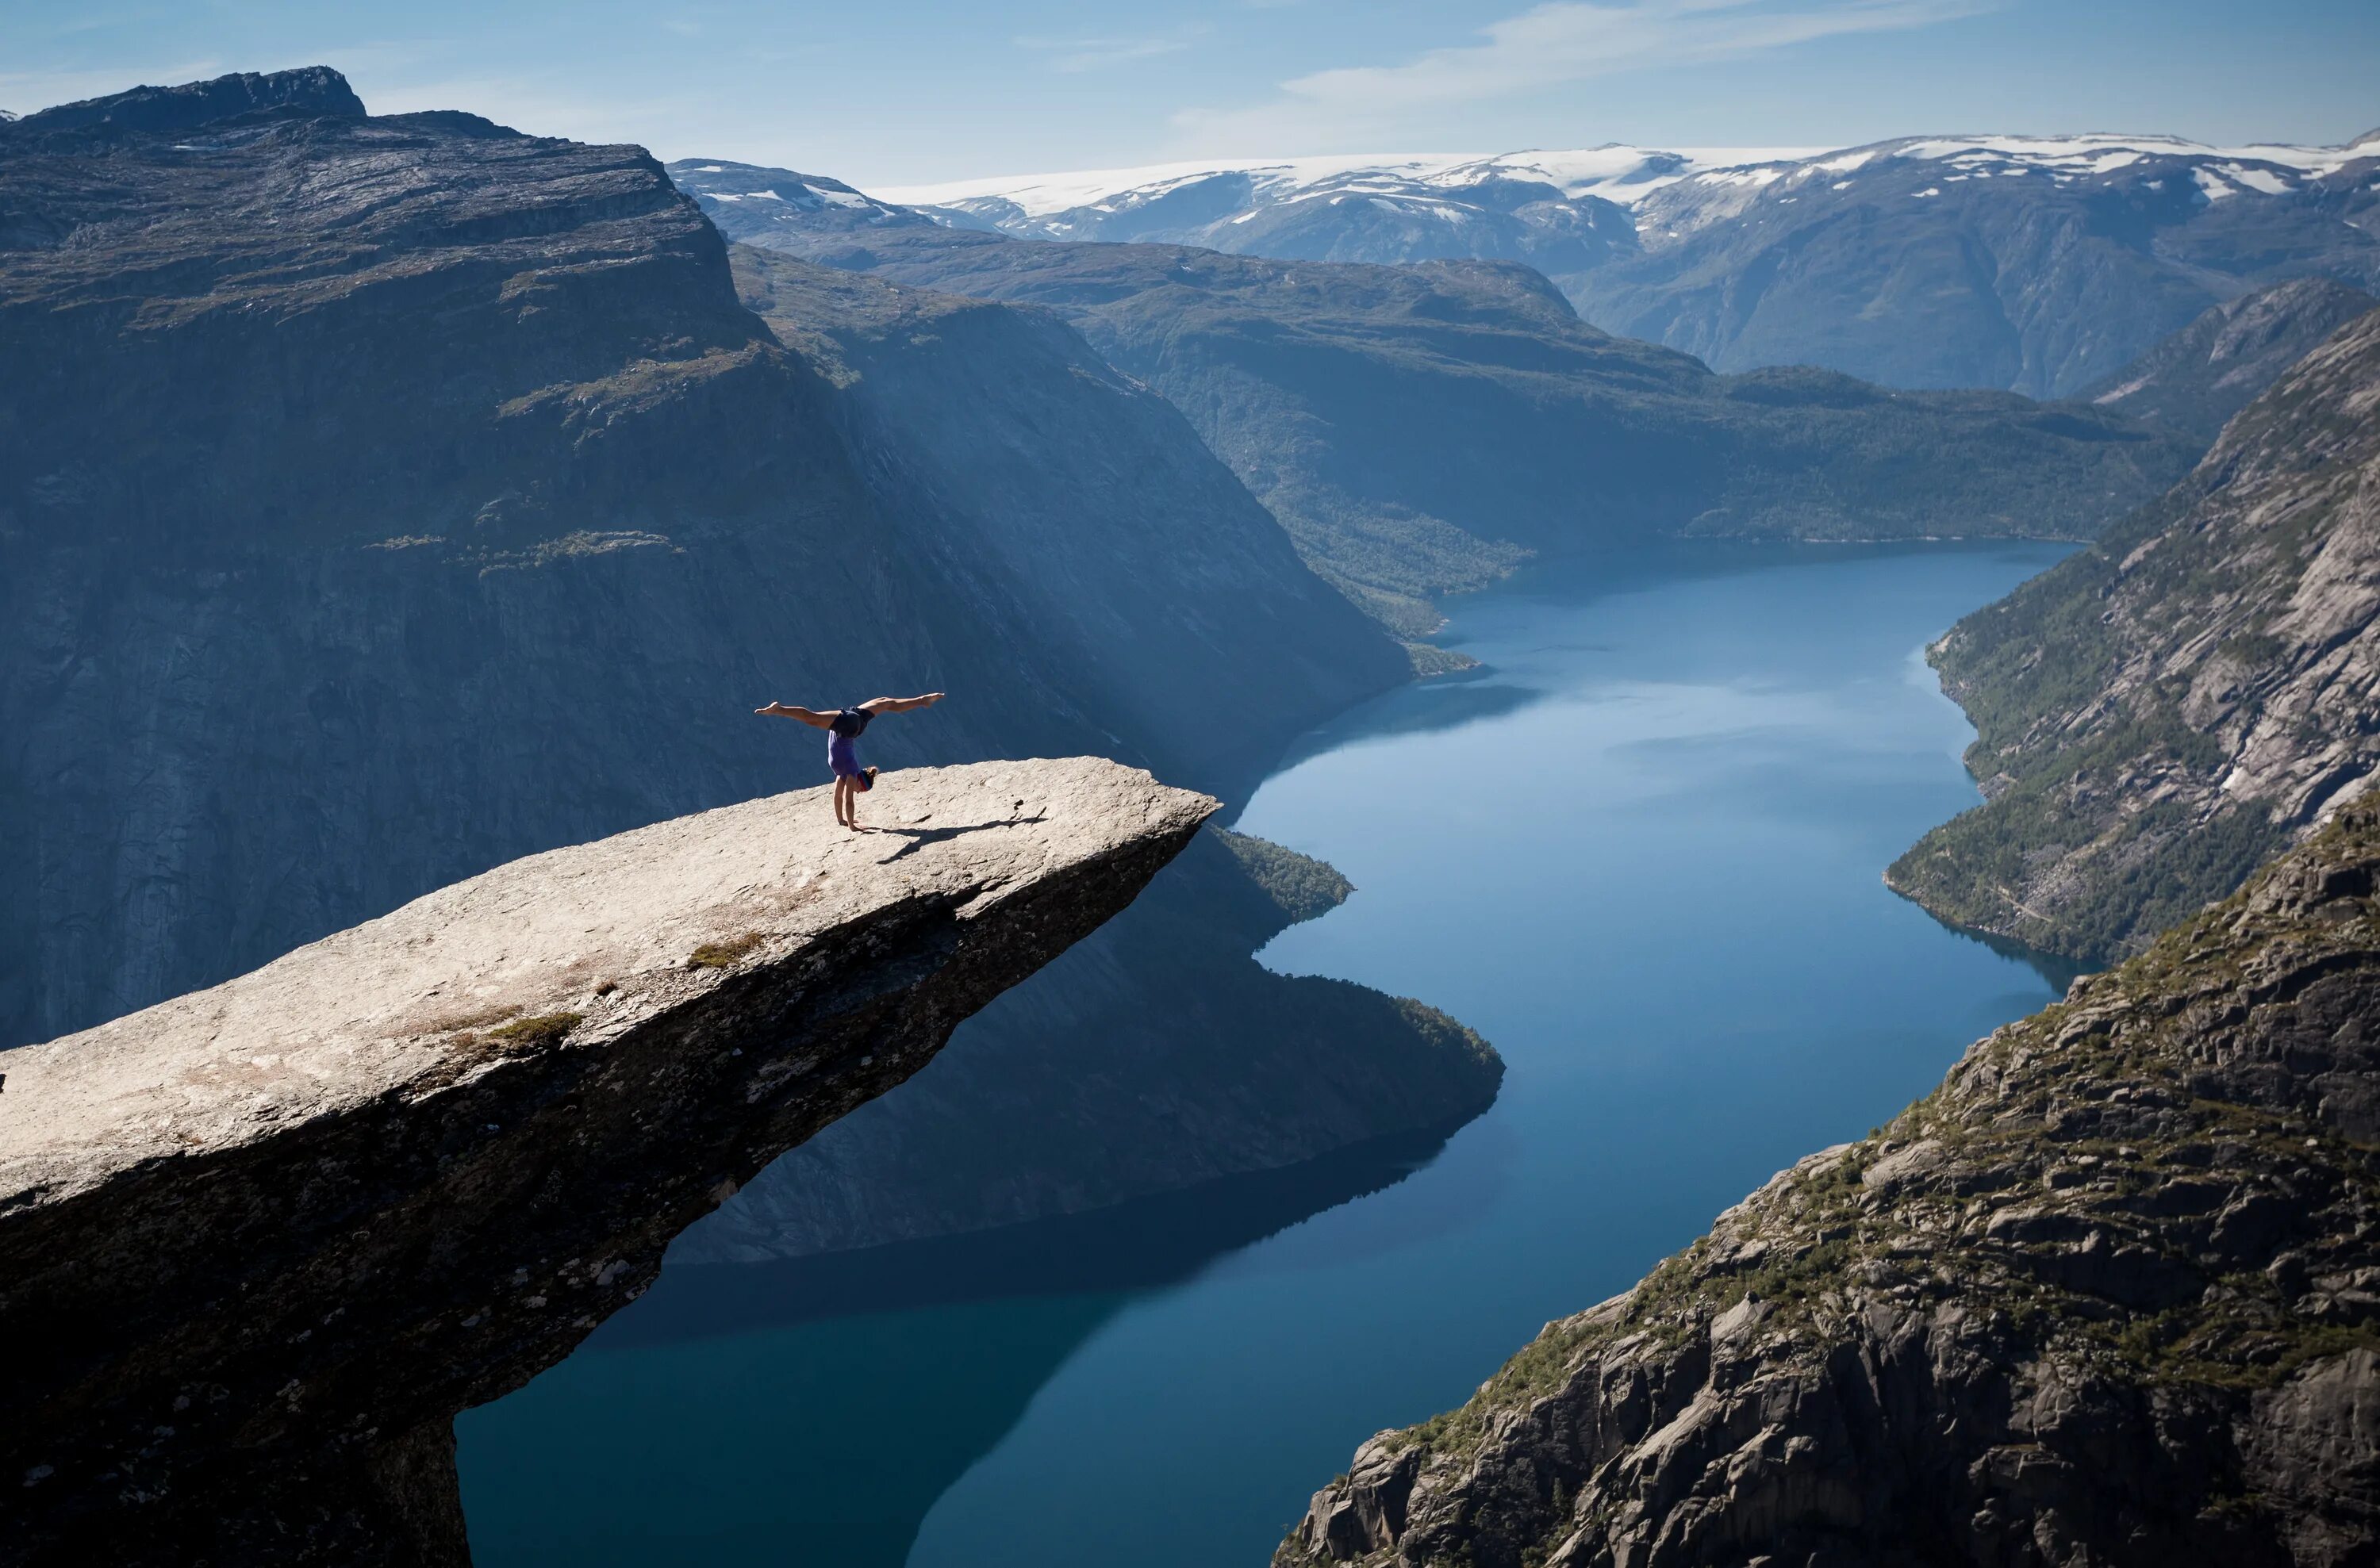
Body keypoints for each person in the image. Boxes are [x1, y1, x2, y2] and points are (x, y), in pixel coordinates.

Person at [754, 692, 946, 831]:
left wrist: (841, 821)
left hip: (854, 723)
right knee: (811, 718)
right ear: (860, 784)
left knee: (885, 702)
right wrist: (853, 826)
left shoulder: (842, 775)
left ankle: (923, 700)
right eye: (860, 790)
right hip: (848, 726)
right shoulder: (851, 773)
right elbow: (848, 802)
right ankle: (779, 710)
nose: (856, 791)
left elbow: (838, 798)